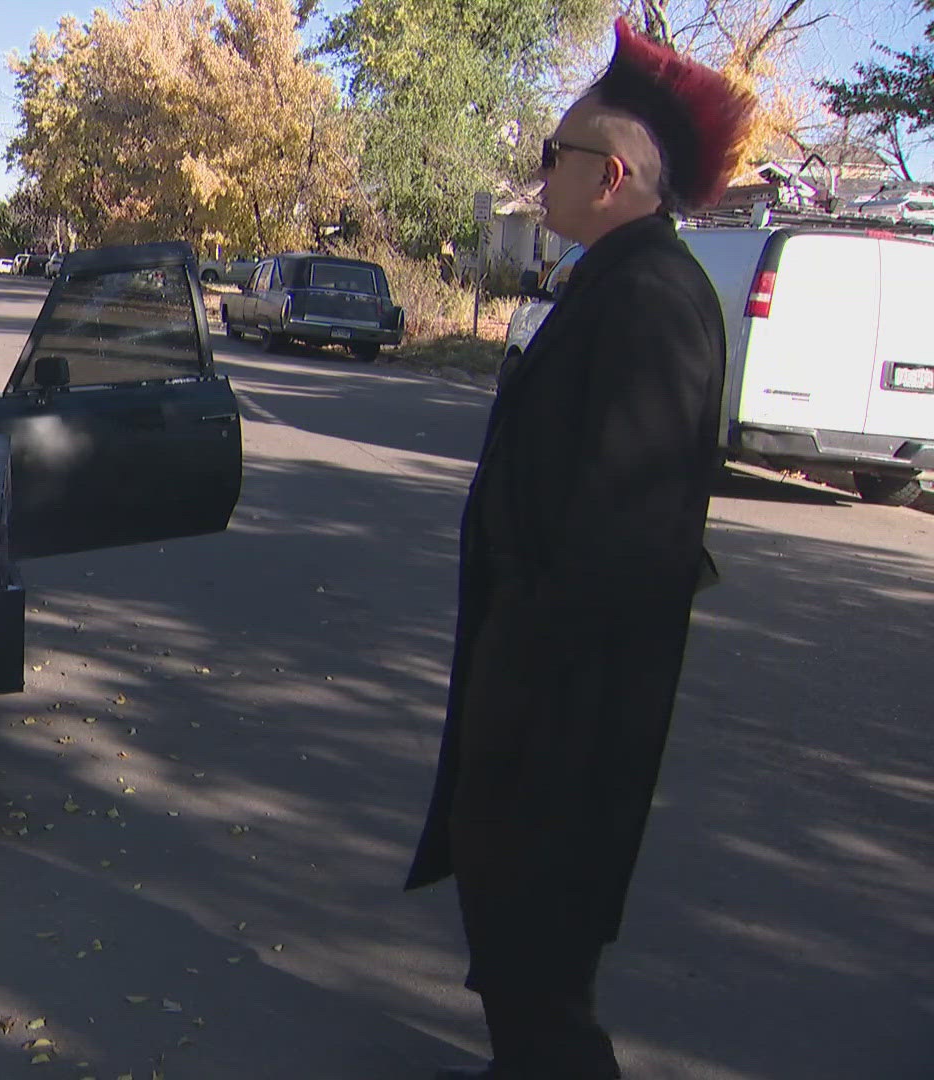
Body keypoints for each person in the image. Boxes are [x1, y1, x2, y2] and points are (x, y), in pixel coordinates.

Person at [406, 20, 755, 1080]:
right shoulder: (616, 279)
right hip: (541, 688)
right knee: (514, 937)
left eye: (550, 155)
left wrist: (522, 667)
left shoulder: (651, 298)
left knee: (539, 957)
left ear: (609, 175)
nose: (537, 175)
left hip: (569, 707)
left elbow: (624, 538)